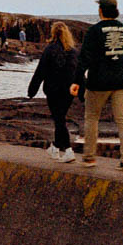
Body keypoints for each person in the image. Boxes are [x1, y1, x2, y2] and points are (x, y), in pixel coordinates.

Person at [70, 0, 123, 170]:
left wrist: (77, 81)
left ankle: (90, 158)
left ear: (100, 10)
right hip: (121, 82)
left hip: (98, 82)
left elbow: (84, 59)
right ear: (116, 10)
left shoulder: (94, 31)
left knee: (92, 118)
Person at [25, 23, 79, 161]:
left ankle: (68, 150)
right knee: (59, 118)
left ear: (53, 33)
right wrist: (83, 91)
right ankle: (54, 148)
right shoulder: (73, 51)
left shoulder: (49, 50)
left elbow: (40, 71)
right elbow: (79, 73)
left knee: (59, 119)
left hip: (53, 90)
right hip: (69, 91)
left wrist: (32, 90)